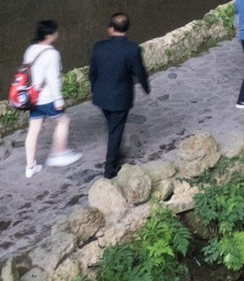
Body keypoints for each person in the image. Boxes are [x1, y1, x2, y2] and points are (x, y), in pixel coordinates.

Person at [88, 12, 150, 179]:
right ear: (127, 29)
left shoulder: (98, 47)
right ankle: (110, 169)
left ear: (110, 29)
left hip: (101, 97)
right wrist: (146, 88)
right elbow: (140, 72)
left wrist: (95, 89)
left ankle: (116, 152)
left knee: (113, 127)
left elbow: (92, 73)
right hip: (120, 98)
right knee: (115, 131)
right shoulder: (132, 49)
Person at [22, 20, 81, 178]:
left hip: (33, 98)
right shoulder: (52, 54)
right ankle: (58, 153)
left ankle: (30, 167)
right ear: (50, 35)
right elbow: (54, 79)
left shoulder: (30, 50)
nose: (57, 34)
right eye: (55, 32)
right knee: (63, 121)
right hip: (47, 98)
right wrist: (59, 101)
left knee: (33, 130)